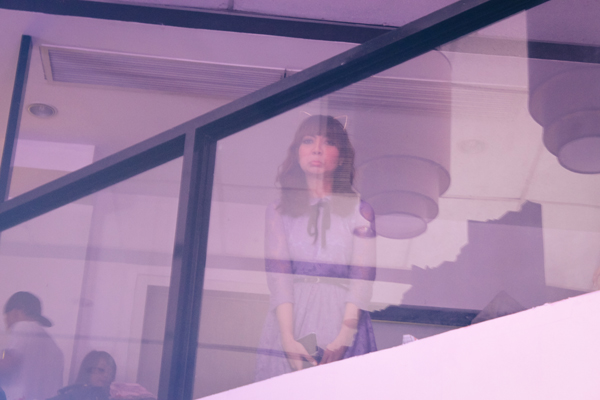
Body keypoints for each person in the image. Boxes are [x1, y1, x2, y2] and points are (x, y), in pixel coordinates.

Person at [255, 115, 377, 381]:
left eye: (329, 142)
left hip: (344, 318)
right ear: (297, 152)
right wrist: (287, 338)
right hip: (292, 317)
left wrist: (345, 336)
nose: (317, 149)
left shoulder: (360, 210)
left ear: (342, 157)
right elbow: (279, 278)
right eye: (308, 141)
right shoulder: (278, 211)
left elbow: (362, 279)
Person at [0, 291, 64, 400]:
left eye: (6, 316)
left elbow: (7, 363)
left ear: (15, 312)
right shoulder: (55, 348)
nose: (6, 322)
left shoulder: (23, 327)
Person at [49, 351, 116, 400]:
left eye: (110, 373)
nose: (106, 375)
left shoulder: (110, 398)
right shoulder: (71, 396)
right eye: (101, 369)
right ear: (88, 370)